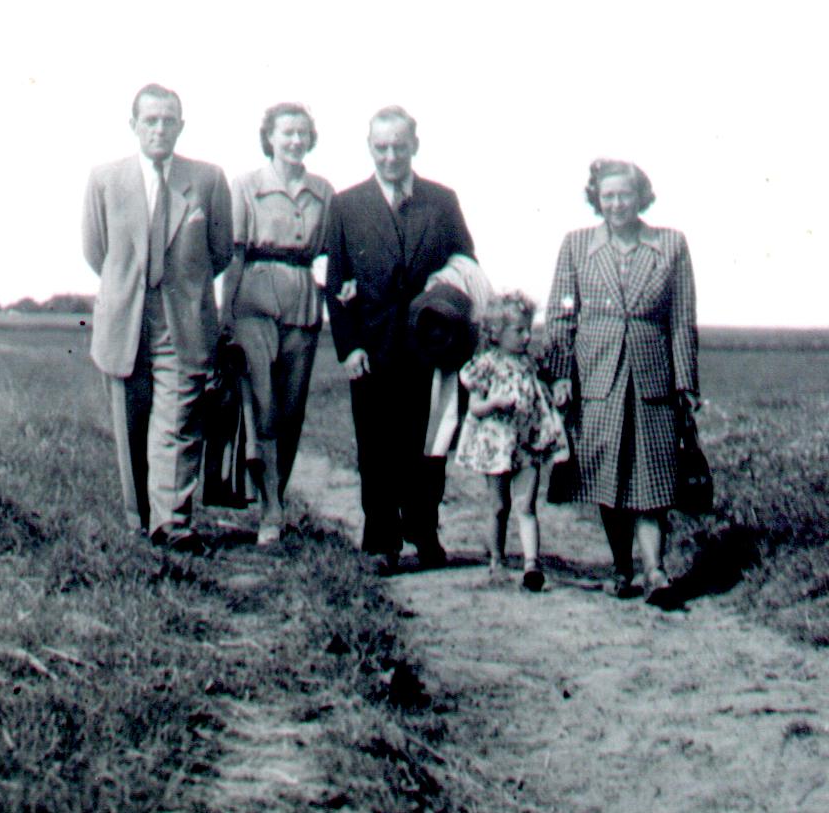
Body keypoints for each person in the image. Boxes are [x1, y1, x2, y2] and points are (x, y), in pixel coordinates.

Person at [82, 84, 233, 551]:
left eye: (169, 120)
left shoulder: (207, 179)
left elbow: (220, 251)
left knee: (179, 420)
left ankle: (173, 524)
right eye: (151, 120)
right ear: (134, 126)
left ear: (181, 126)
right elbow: (97, 251)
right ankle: (139, 520)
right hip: (126, 317)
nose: (159, 129)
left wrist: (184, 288)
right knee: (131, 421)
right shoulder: (106, 180)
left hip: (181, 320)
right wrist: (129, 286)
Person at [325, 105, 475, 574]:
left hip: (430, 345)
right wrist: (349, 347)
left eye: (399, 147)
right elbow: (335, 281)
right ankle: (381, 541)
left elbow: (466, 263)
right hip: (372, 347)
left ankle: (425, 532)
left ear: (415, 146)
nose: (390, 157)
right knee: (376, 446)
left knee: (428, 445)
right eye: (381, 147)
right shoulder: (346, 205)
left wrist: (443, 294)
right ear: (370, 148)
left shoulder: (441, 201)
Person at [544, 158, 699, 597]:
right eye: (607, 196)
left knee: (653, 476)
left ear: (640, 197)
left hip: (653, 379)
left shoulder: (670, 244)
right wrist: (561, 376)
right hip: (597, 377)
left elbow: (682, 319)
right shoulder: (577, 245)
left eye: (624, 195)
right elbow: (559, 316)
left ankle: (656, 572)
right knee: (607, 475)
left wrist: (685, 383)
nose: (616, 204)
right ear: (596, 199)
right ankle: (621, 569)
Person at [220, 103, 334, 546]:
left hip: (303, 300)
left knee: (290, 411)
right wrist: (225, 315)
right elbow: (235, 254)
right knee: (262, 408)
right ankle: (270, 510)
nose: (295, 141)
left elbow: (332, 253)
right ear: (269, 137)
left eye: (302, 133)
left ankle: (276, 497)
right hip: (254, 300)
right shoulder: (246, 186)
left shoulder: (323, 191)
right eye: (287, 133)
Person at [455, 291, 570, 592]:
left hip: (526, 443)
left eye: (528, 329)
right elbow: (474, 407)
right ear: (496, 332)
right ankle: (497, 560)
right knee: (498, 505)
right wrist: (494, 403)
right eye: (518, 330)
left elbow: (540, 394)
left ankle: (532, 564)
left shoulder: (530, 363)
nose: (526, 337)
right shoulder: (485, 365)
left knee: (527, 504)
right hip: (496, 446)